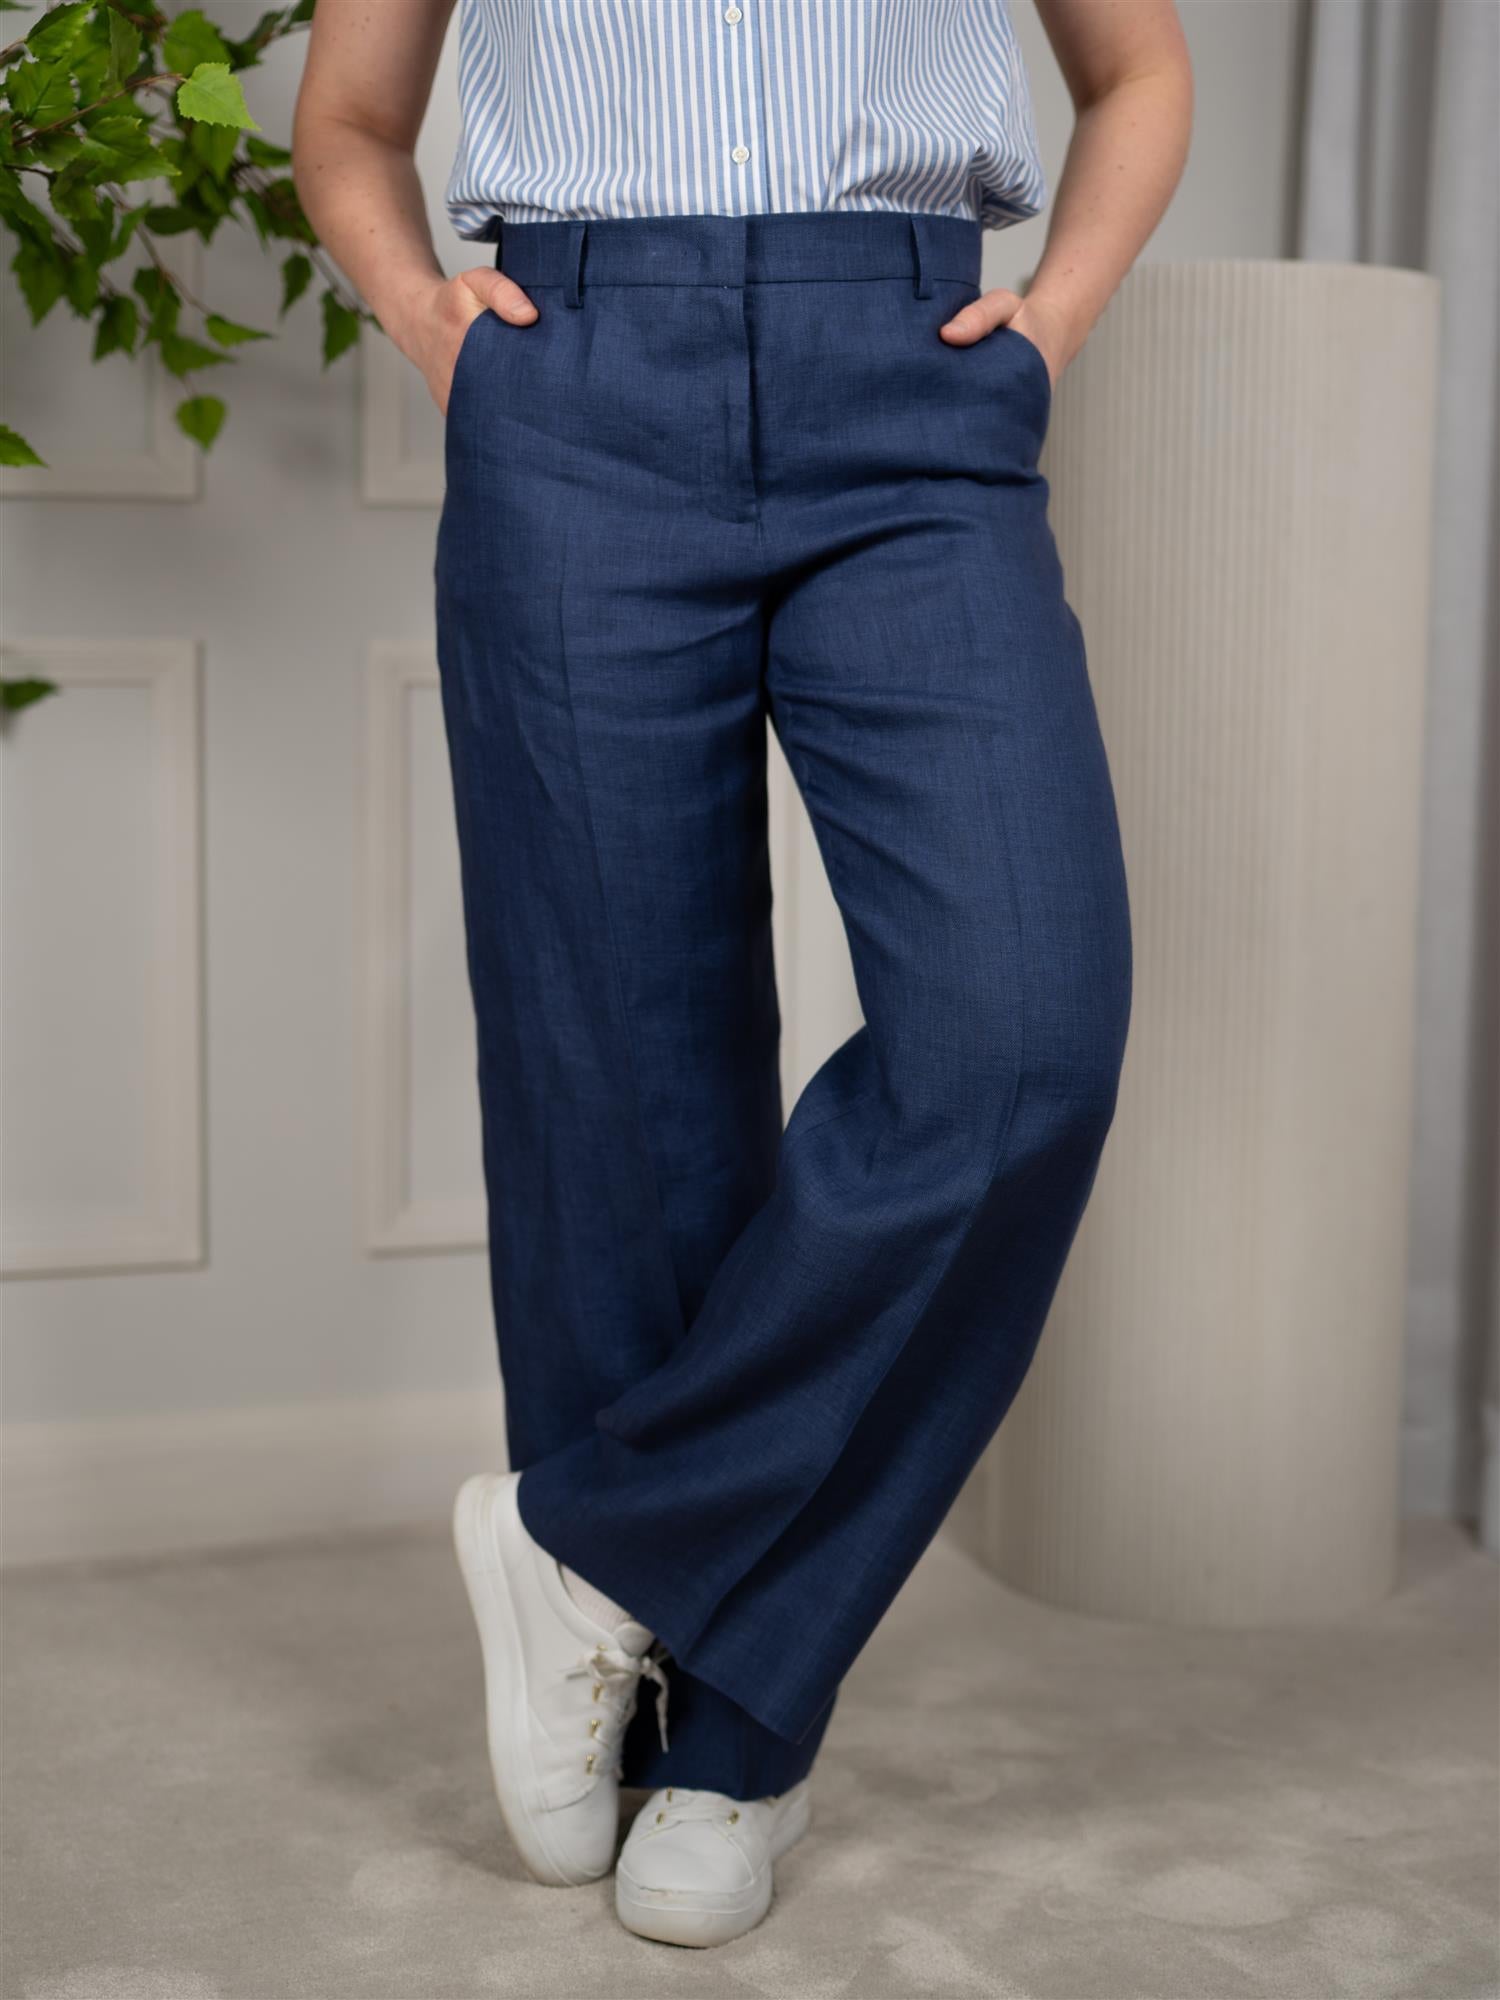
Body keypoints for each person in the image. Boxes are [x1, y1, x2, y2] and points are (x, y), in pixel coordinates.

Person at [294, 0, 1192, 1950]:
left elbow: (1140, 71)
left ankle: (590, 1555)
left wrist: (1049, 325)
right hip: (577, 387)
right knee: (618, 1084)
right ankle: (701, 1746)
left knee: (1022, 1032)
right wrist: (437, 325)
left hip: (917, 391)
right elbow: (349, 123)